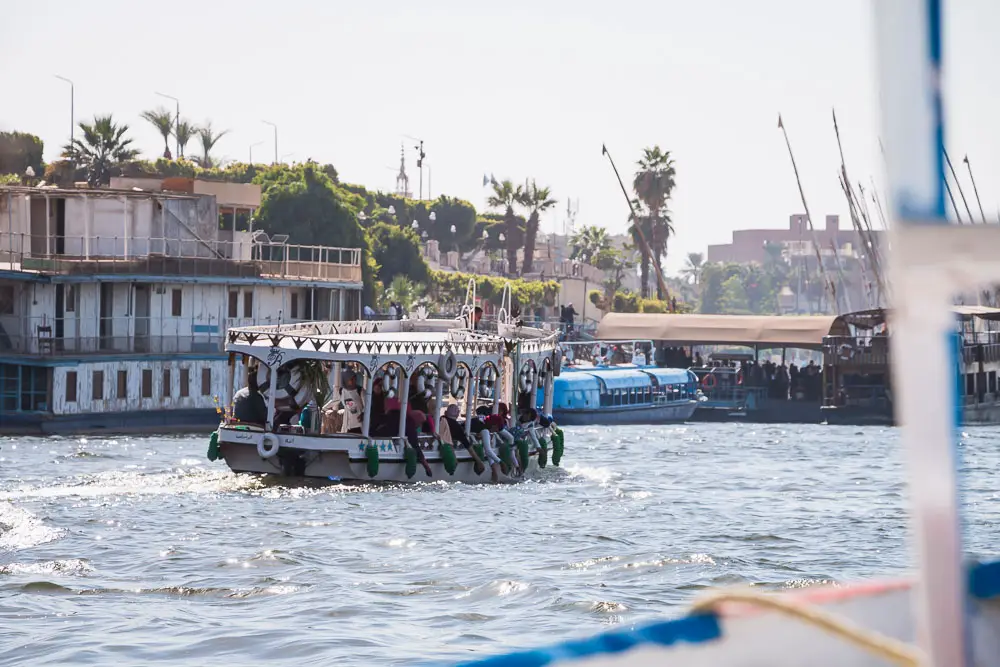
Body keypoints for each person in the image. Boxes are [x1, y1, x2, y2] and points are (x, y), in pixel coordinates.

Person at [324, 368, 364, 434]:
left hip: (359, 426)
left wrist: (363, 413)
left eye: (355, 379)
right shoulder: (342, 391)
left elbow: (367, 405)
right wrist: (324, 408)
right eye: (351, 379)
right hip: (347, 426)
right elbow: (335, 401)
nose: (354, 381)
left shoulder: (360, 391)